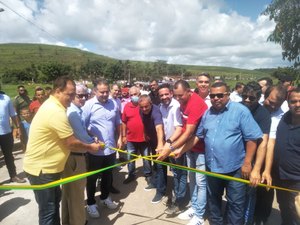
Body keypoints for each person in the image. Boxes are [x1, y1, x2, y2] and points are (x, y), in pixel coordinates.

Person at [173, 82, 262, 225]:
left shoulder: (240, 111)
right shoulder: (208, 113)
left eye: (220, 95)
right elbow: (197, 136)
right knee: (214, 201)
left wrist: (247, 163)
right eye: (213, 95)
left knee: (235, 204)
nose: (216, 98)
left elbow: (252, 138)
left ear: (227, 95)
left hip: (235, 169)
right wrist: (180, 150)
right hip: (213, 167)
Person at [23, 76, 101, 225]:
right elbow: (71, 143)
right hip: (42, 170)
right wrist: (91, 147)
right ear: (58, 91)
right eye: (70, 94)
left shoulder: (55, 106)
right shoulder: (55, 111)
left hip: (47, 169)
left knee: (53, 207)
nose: (72, 98)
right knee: (48, 212)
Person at [158, 80, 208, 225]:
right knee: (191, 179)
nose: (178, 99)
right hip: (190, 148)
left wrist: (170, 149)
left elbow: (189, 132)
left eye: (181, 95)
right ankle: (194, 206)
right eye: (176, 96)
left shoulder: (196, 104)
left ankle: (199, 216)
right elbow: (181, 128)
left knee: (201, 182)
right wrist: (175, 146)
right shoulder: (182, 101)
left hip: (201, 149)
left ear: (189, 91)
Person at [82, 79, 122, 218]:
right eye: (102, 92)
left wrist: (120, 137)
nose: (105, 94)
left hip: (110, 149)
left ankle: (105, 198)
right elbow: (82, 127)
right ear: (95, 91)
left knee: (107, 176)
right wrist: (91, 137)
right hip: (95, 150)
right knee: (92, 178)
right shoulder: (88, 105)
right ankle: (91, 203)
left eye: (106, 91)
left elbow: (118, 121)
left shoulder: (113, 103)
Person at [61, 84, 92, 225]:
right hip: (75, 157)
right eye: (80, 95)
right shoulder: (73, 113)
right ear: (73, 96)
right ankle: (79, 222)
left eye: (85, 95)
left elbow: (83, 133)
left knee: (69, 194)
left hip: (73, 156)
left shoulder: (76, 110)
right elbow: (82, 137)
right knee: (77, 195)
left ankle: (68, 221)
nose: (83, 98)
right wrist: (95, 144)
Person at [241, 82, 271, 225]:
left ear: (259, 98)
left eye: (251, 98)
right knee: (235, 194)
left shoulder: (263, 114)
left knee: (249, 195)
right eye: (244, 96)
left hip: (251, 160)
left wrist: (257, 169)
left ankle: (247, 221)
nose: (247, 100)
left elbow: (263, 142)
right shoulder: (238, 107)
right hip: (236, 157)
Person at [257, 85, 288, 224]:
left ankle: (262, 217)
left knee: (266, 191)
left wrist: (266, 170)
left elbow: (270, 142)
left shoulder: (284, 115)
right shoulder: (255, 108)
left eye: (277, 104)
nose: (273, 107)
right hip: (253, 155)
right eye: (270, 102)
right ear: (265, 96)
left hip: (271, 158)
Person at [157, 83, 186, 216]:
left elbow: (179, 128)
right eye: (161, 95)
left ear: (171, 94)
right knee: (175, 172)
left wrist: (168, 144)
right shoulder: (161, 107)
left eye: (166, 94)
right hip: (168, 145)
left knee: (180, 173)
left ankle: (179, 202)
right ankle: (176, 197)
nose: (164, 97)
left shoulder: (176, 106)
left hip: (176, 145)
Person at [272, 88, 300, 225]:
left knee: (296, 213)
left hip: (297, 180)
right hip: (280, 176)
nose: (298, 104)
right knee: (284, 207)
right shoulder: (285, 117)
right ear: (288, 103)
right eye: (293, 101)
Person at [121, 86, 151, 184]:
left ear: (139, 94)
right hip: (131, 139)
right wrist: (124, 136)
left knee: (146, 158)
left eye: (136, 94)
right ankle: (131, 174)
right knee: (130, 158)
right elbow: (124, 122)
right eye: (131, 95)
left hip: (144, 139)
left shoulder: (144, 106)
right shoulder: (127, 106)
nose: (134, 96)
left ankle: (148, 174)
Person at [138, 95, 165, 203]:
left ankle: (161, 191)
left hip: (161, 142)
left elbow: (159, 128)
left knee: (160, 165)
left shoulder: (155, 112)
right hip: (152, 140)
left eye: (146, 107)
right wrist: (145, 133)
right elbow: (144, 122)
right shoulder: (141, 111)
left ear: (151, 104)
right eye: (142, 107)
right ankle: (155, 182)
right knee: (154, 163)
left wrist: (160, 144)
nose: (144, 109)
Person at [0, 89, 25, 183]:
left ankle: (13, 176)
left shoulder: (5, 98)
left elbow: (13, 114)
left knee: (9, 156)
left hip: (6, 133)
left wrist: (18, 127)